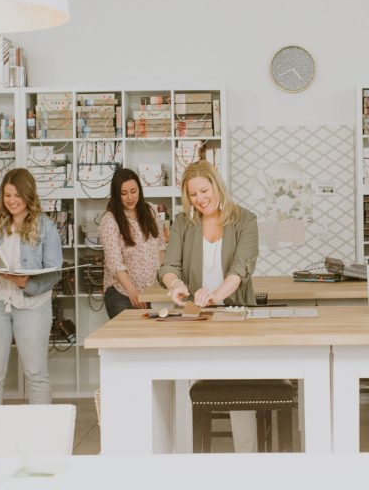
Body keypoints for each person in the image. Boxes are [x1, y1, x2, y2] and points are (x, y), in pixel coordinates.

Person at [158, 160, 259, 452]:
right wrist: (175, 285)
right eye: (193, 194)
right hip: (196, 317)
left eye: (204, 190)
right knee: (187, 387)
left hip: (236, 314)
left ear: (217, 186)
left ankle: (246, 459)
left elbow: (241, 269)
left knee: (240, 392)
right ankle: (189, 458)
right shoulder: (183, 223)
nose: (200, 199)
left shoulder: (245, 220)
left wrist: (216, 295)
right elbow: (168, 266)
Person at [0, 168, 62, 404]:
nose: (12, 201)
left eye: (18, 195)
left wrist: (27, 283)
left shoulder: (46, 227)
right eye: (7, 195)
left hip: (33, 305)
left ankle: (41, 437)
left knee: (36, 374)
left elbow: (55, 272)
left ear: (29, 195)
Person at [100, 168, 166, 319]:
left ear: (140, 190)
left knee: (146, 339)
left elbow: (161, 247)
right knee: (126, 340)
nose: (130, 197)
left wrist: (163, 281)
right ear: (117, 195)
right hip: (122, 293)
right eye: (124, 193)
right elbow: (115, 263)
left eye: (133, 191)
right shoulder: (110, 220)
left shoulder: (151, 211)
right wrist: (132, 291)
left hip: (148, 291)